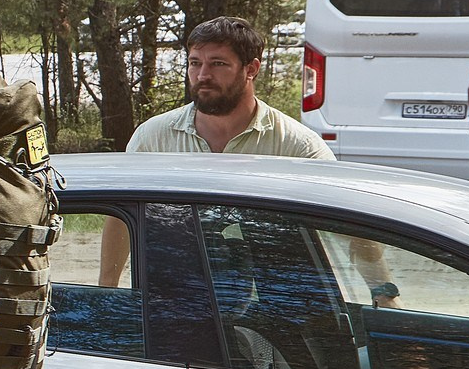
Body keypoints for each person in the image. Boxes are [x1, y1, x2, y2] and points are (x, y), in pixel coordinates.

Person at [99, 15, 339, 288]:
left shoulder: (297, 146)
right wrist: (107, 289)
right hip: (175, 298)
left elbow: (349, 216)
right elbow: (120, 216)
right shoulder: (153, 139)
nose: (203, 76)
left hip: (276, 301)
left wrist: (382, 289)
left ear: (251, 69)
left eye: (218, 64)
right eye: (195, 63)